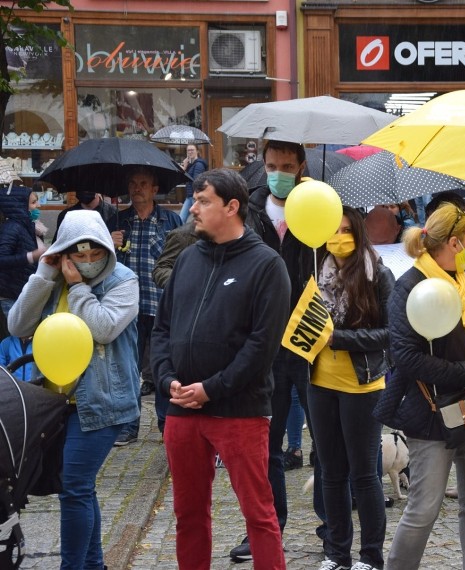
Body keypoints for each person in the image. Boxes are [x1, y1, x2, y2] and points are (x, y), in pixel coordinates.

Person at [150, 169, 290, 570]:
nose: (192, 208)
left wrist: (211, 389)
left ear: (232, 207)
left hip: (240, 410)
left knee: (259, 516)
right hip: (182, 409)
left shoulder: (266, 265)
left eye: (203, 200)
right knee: (188, 515)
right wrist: (166, 380)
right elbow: (162, 329)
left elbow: (262, 347)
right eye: (194, 199)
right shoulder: (189, 258)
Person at [8, 210, 140, 570]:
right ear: (64, 252)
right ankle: (94, 565)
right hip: (53, 402)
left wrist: (80, 287)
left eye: (95, 254)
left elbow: (104, 328)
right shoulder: (55, 278)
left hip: (103, 403)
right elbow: (17, 323)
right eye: (78, 255)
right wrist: (44, 274)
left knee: (75, 488)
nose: (87, 262)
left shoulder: (123, 281)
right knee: (81, 488)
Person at [385, 203, 465, 569]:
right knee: (423, 510)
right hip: (431, 414)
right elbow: (404, 356)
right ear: (453, 242)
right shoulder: (408, 287)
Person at [238, 138, 321, 561]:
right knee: (264, 447)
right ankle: (266, 527)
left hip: (311, 342)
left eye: (287, 165)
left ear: (302, 165)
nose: (278, 173)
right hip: (265, 343)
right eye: (272, 164)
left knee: (325, 439)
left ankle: (331, 524)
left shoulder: (319, 205)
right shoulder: (249, 210)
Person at [309, 206, 394, 570]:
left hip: (363, 384)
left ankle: (370, 556)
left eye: (346, 230)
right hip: (319, 382)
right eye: (333, 230)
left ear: (358, 233)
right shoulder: (317, 269)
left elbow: (393, 333)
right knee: (330, 472)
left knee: (364, 473)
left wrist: (340, 338)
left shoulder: (379, 274)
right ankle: (335, 552)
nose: (338, 237)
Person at [108, 166, 181, 444]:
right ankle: (128, 426)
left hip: (162, 303)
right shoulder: (117, 220)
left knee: (163, 366)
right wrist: (108, 244)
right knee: (129, 367)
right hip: (127, 306)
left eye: (143, 184)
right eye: (133, 183)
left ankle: (166, 423)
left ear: (154, 189)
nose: (137, 188)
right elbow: (99, 263)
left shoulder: (171, 221)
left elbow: (182, 258)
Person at [0, 186, 45, 317]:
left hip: (22, 293)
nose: (39, 205)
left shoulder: (31, 226)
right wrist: (31, 256)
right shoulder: (12, 228)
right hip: (11, 296)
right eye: (33, 202)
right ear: (19, 205)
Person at [178, 143, 209, 223]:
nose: (190, 152)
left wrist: (196, 197)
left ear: (197, 151)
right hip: (189, 196)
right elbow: (184, 179)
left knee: (199, 219)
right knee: (180, 220)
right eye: (188, 150)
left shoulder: (199, 164)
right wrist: (184, 167)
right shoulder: (191, 165)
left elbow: (196, 181)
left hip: (195, 196)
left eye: (192, 150)